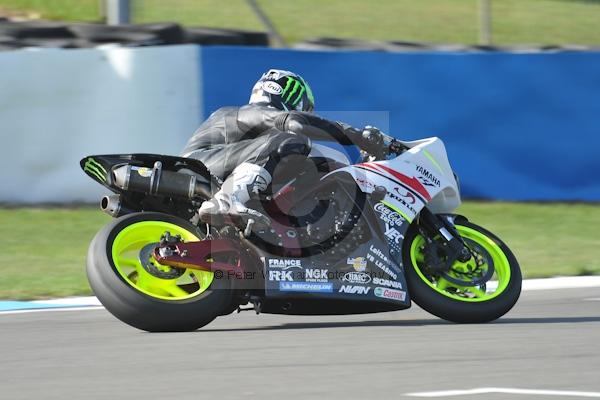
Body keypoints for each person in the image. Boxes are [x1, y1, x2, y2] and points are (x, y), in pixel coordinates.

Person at [181, 69, 398, 229]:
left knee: (306, 159)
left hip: (211, 174)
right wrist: (357, 136)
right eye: (307, 109)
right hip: (199, 168)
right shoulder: (240, 114)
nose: (307, 113)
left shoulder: (257, 142)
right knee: (292, 142)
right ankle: (226, 200)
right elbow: (296, 124)